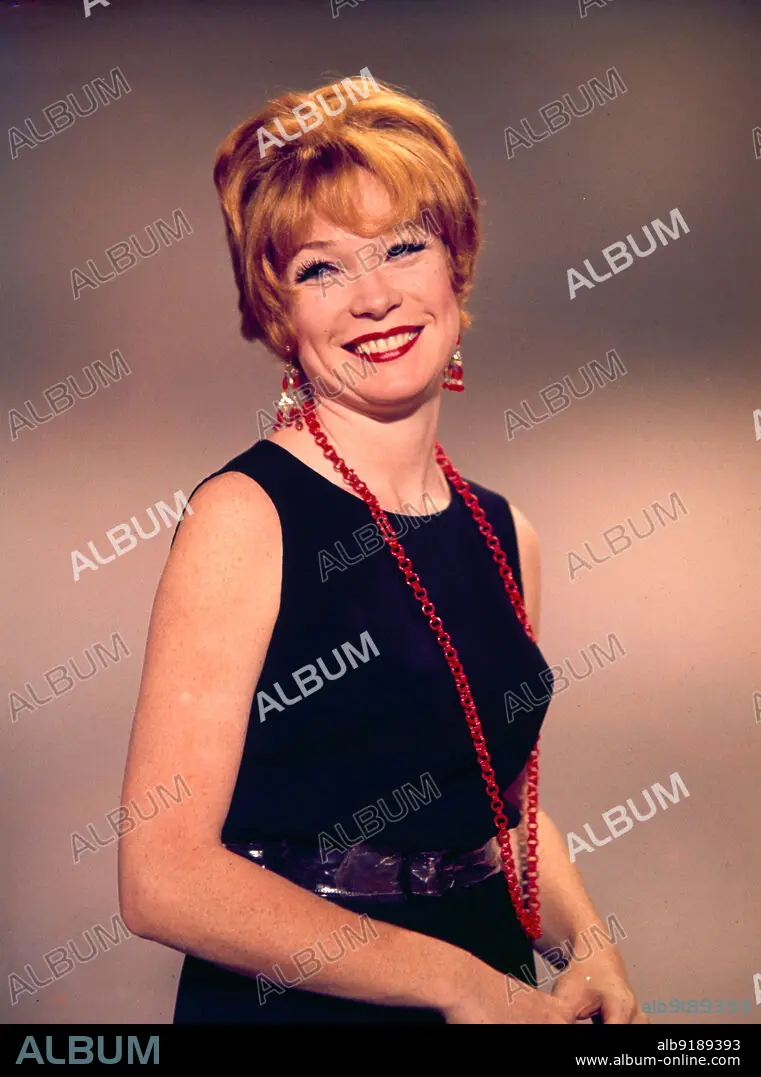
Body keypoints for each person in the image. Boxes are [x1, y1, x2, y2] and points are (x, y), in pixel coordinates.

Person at [117, 74, 646, 1025]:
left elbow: (506, 810)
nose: (373, 296)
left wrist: (592, 948)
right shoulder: (245, 517)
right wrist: (456, 985)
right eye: (319, 269)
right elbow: (163, 878)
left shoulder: (501, 528)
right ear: (276, 316)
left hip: (493, 984)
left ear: (457, 267)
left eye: (404, 247)